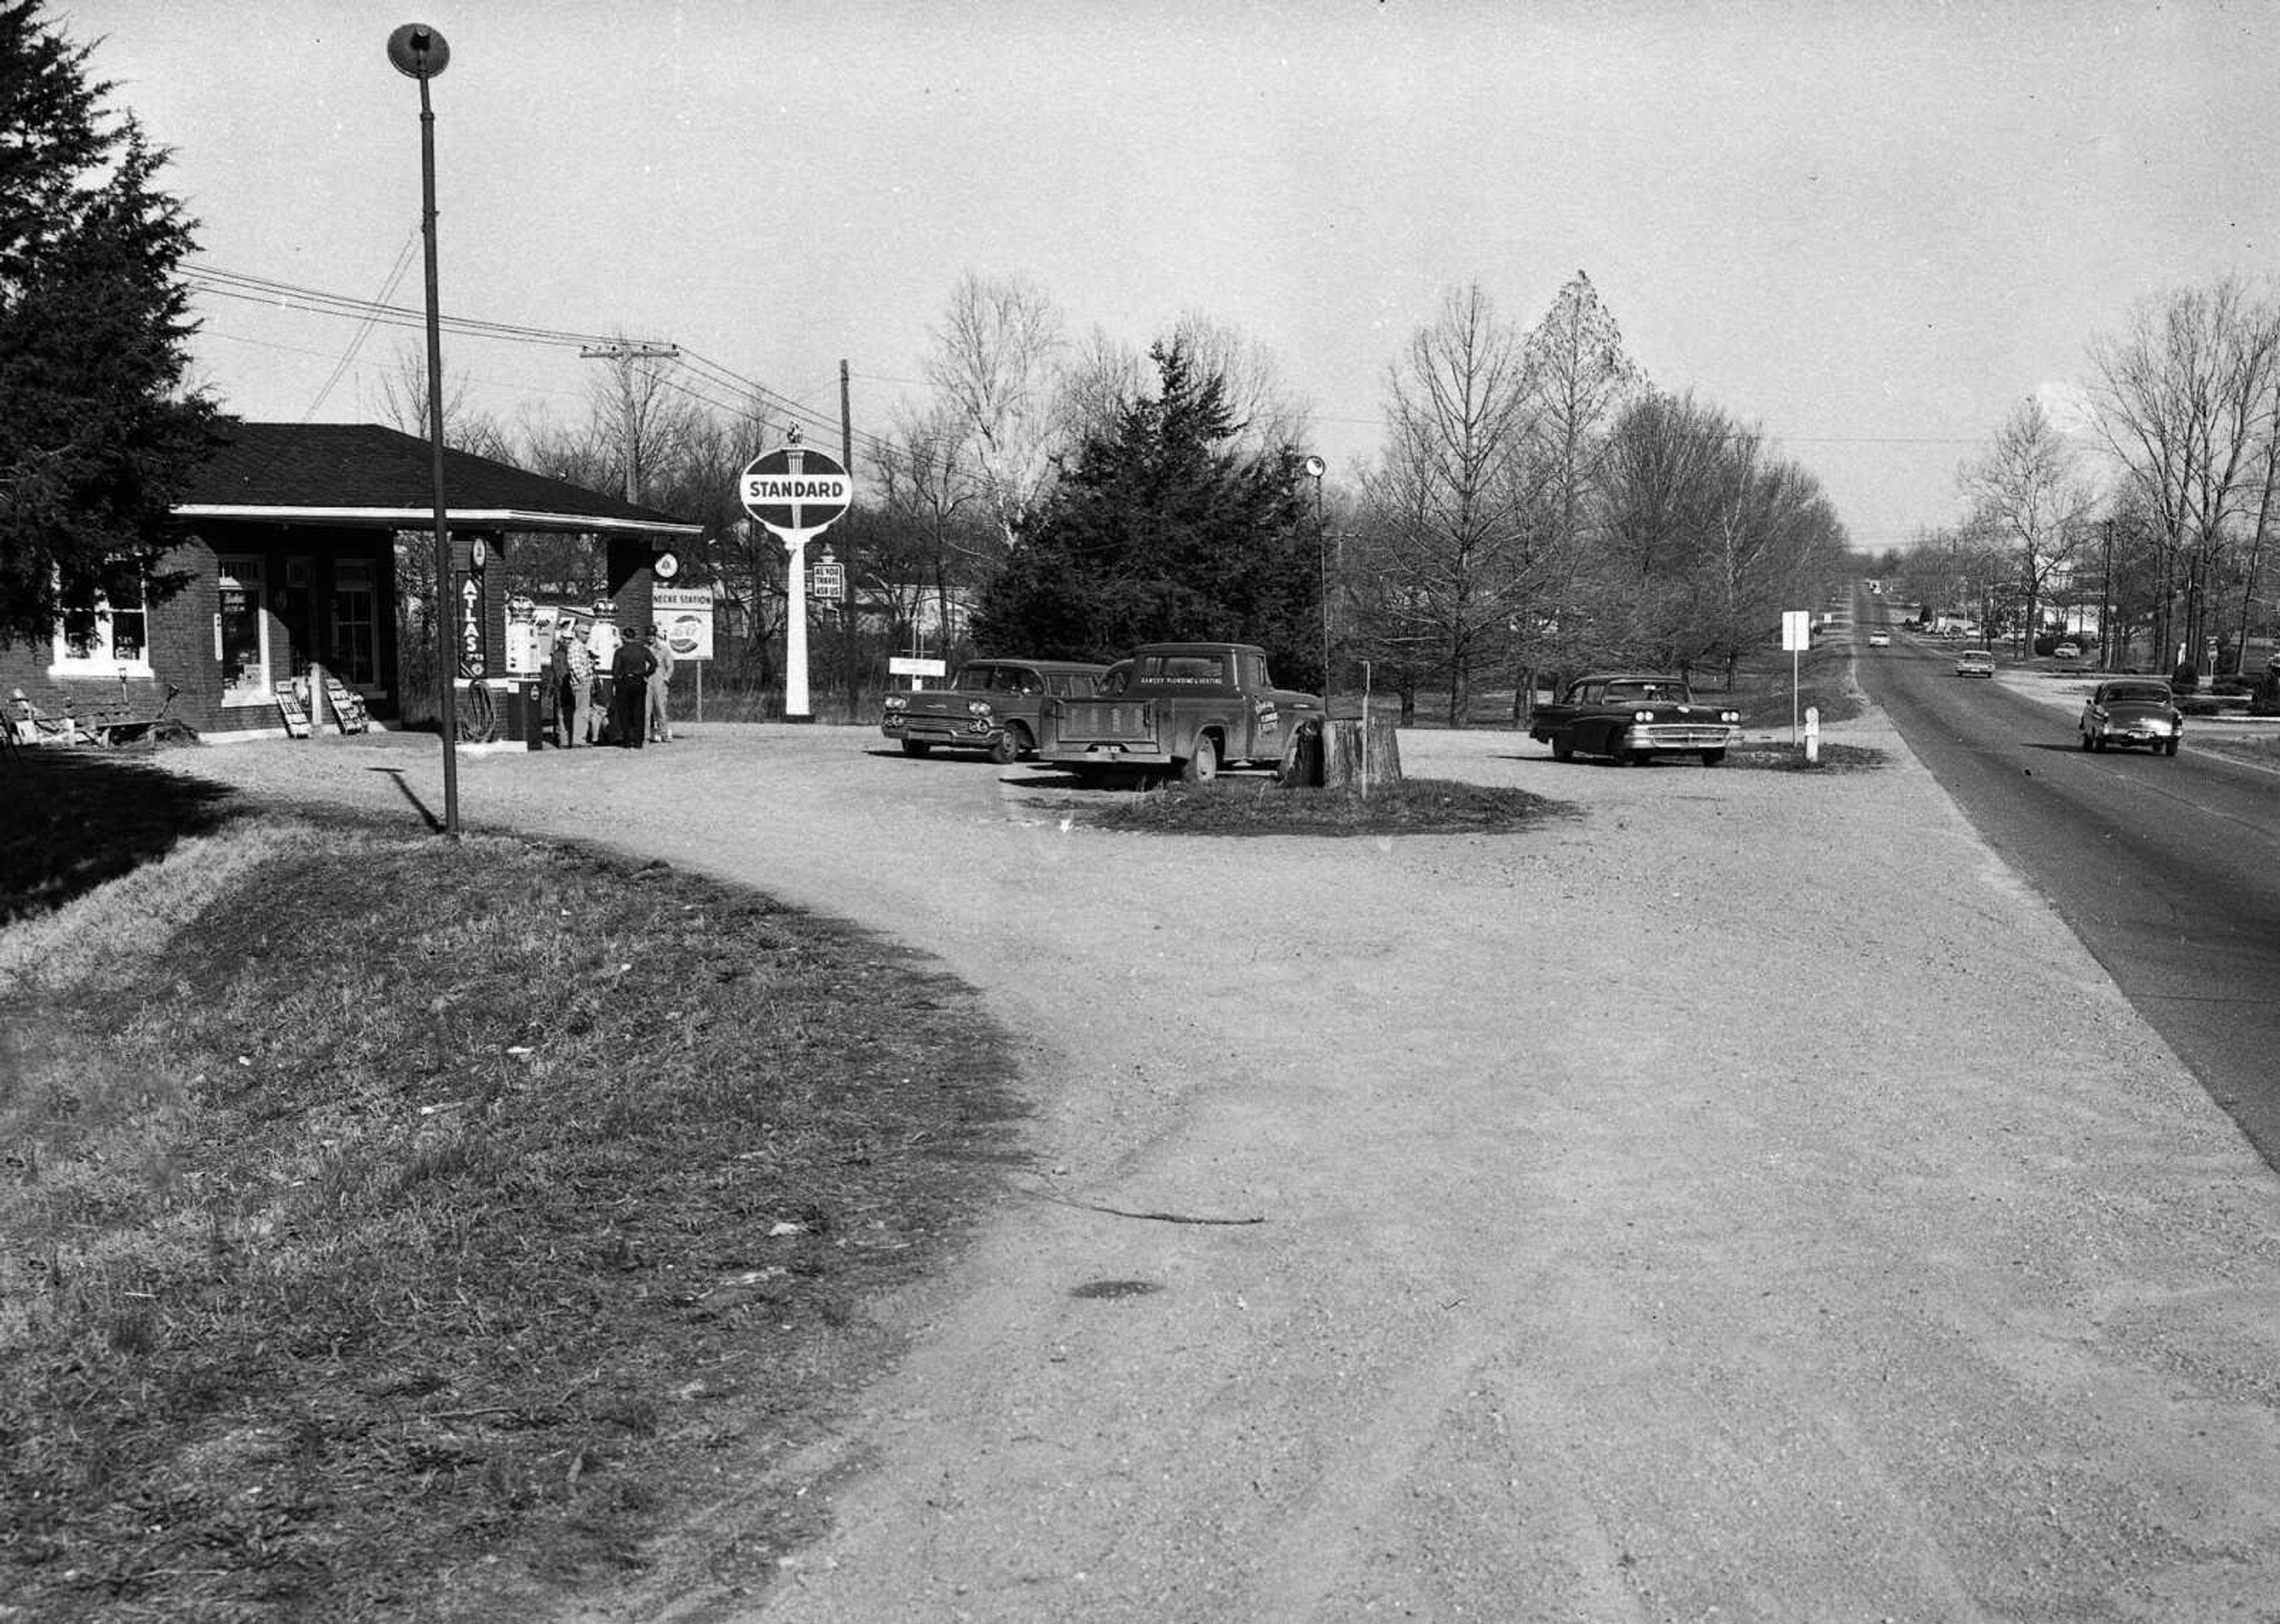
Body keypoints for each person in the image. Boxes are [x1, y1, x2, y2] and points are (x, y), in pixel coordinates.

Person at [609, 630, 658, 748]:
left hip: (625, 682)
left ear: (624, 638)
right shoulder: (643, 650)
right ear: (634, 637)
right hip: (639, 681)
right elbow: (654, 663)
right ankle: (638, 741)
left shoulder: (620, 651)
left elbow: (615, 670)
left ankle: (626, 741)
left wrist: (617, 683)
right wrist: (646, 674)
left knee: (625, 712)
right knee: (639, 711)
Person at [565, 623, 598, 746]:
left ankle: (581, 738)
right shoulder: (575, 646)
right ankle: (579, 739)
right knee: (581, 712)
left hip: (584, 682)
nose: (587, 636)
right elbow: (575, 666)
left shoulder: (581, 646)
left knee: (584, 711)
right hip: (581, 683)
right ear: (577, 633)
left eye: (588, 633)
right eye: (585, 633)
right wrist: (584, 680)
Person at [646, 625, 676, 742]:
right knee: (647, 711)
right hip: (647, 682)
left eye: (652, 636)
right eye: (648, 636)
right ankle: (646, 735)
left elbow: (670, 666)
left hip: (660, 683)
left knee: (661, 709)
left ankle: (664, 733)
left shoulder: (663, 650)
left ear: (655, 636)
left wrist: (666, 679)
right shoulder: (644, 649)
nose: (650, 638)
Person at [548, 623, 575, 747]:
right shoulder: (559, 655)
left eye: (571, 640)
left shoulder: (570, 652)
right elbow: (560, 674)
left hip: (569, 687)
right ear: (562, 640)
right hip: (563, 688)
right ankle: (564, 741)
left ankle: (568, 739)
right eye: (567, 640)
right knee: (563, 714)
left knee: (569, 713)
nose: (569, 642)